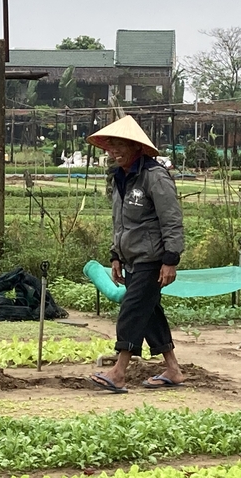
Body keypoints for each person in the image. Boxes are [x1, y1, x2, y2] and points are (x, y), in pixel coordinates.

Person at [85, 115, 185, 393]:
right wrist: (115, 255)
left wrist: (170, 259)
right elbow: (121, 221)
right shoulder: (121, 178)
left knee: (132, 309)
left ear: (137, 148)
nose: (114, 151)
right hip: (131, 257)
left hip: (152, 258)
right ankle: (173, 370)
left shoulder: (155, 177)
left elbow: (172, 219)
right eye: (111, 145)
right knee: (149, 311)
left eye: (121, 146)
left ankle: (118, 372)